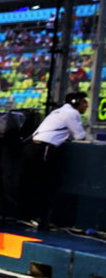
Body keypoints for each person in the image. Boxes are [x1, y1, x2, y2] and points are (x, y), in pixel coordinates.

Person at [23, 90, 90, 228]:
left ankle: (32, 217)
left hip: (34, 148)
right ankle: (41, 219)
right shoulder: (72, 113)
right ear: (75, 102)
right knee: (45, 184)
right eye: (84, 102)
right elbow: (80, 137)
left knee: (34, 182)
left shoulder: (58, 112)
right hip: (43, 149)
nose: (86, 106)